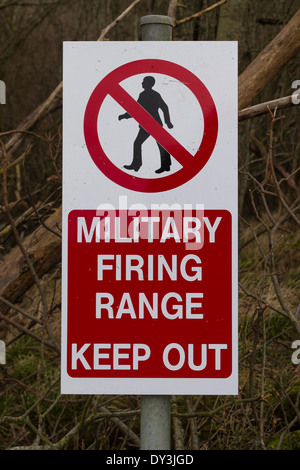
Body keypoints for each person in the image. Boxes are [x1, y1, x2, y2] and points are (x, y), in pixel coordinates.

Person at [118, 76, 174, 174]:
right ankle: (138, 164)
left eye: (143, 81)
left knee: (156, 144)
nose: (142, 83)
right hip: (147, 124)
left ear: (148, 83)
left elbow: (164, 107)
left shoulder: (147, 95)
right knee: (145, 143)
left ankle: (141, 164)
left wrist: (168, 122)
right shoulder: (146, 94)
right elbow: (136, 109)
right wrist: (124, 116)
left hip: (153, 124)